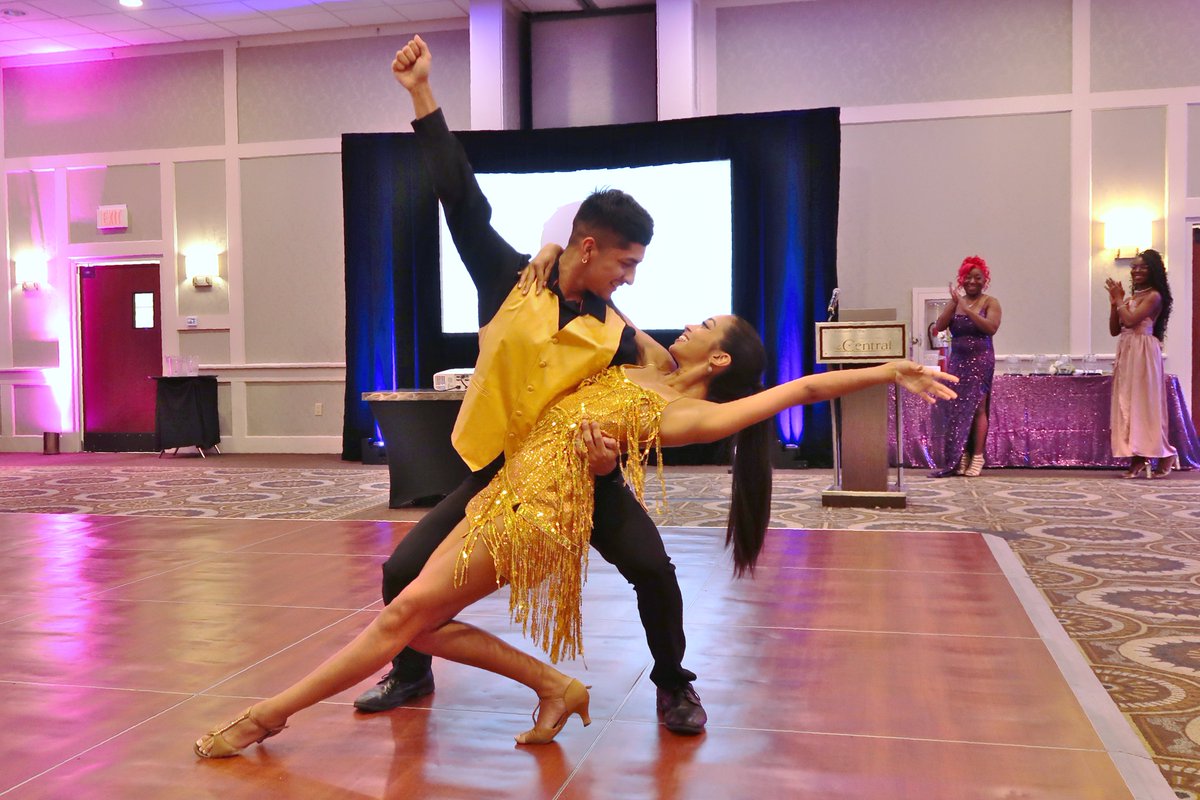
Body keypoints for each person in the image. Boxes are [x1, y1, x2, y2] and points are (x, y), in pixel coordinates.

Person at [194, 315, 959, 758]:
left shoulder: (689, 412)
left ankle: (270, 715)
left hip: (545, 514)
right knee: (413, 609)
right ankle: (555, 687)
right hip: (501, 486)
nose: (688, 323)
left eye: (706, 325)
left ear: (717, 359)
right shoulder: (647, 357)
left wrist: (890, 371)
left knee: (405, 618)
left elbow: (805, 387)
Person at [356, 34, 709, 737]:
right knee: (402, 574)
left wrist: (608, 447)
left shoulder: (618, 333)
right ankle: (414, 669)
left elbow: (652, 393)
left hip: (582, 479)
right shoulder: (511, 282)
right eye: (625, 262)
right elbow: (461, 200)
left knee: (653, 569)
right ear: (587, 246)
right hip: (498, 471)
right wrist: (422, 93)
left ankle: (675, 685)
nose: (631, 276)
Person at [1106, 248, 1176, 478]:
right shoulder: (1132, 298)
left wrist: (1119, 301)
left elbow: (1131, 319)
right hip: (1127, 351)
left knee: (1144, 405)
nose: (1136, 270)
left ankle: (1160, 453)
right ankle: (1138, 455)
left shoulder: (1154, 296)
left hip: (1144, 352)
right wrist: (1113, 303)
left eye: (1142, 267)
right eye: (1134, 266)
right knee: (1127, 403)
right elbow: (1115, 329)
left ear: (1153, 270)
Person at [930, 255, 1001, 477]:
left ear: (984, 280)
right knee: (957, 409)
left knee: (978, 408)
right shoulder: (956, 301)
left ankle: (977, 457)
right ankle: (960, 455)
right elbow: (940, 327)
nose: (972, 281)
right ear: (962, 279)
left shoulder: (991, 302)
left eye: (977, 277)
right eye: (968, 277)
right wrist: (954, 302)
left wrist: (967, 309)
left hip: (981, 360)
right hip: (958, 361)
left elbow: (990, 328)